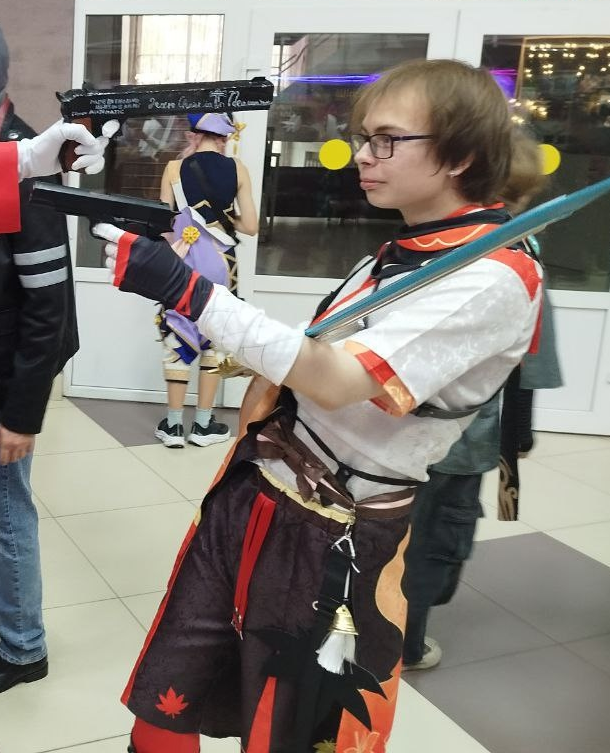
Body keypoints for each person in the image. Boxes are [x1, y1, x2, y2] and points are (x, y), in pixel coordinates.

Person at [94, 58, 544, 753]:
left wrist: (191, 293)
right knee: (165, 701)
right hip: (255, 496)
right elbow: (308, 358)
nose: (363, 155)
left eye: (387, 139)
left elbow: (335, 379)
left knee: (291, 733)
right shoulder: (402, 253)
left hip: (335, 536)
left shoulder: (495, 278)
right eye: (365, 137)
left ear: (461, 155)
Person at [401, 133, 563, 672]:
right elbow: (528, 361)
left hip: (399, 427)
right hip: (462, 435)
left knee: (399, 527)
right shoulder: (518, 257)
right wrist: (519, 435)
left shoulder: (436, 239)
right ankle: (407, 639)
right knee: (437, 534)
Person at [0, 27, 114, 694]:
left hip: (7, 374)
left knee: (6, 508)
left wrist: (21, 415)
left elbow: (47, 305)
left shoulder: (28, 169)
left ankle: (22, 647)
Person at [154, 111, 258, 449]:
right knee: (214, 336)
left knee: (177, 334)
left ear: (194, 135)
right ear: (224, 138)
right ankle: (202, 425)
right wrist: (223, 218)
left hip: (183, 263)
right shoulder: (238, 169)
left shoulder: (173, 169)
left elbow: (162, 223)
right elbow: (251, 226)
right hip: (222, 263)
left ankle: (173, 426)